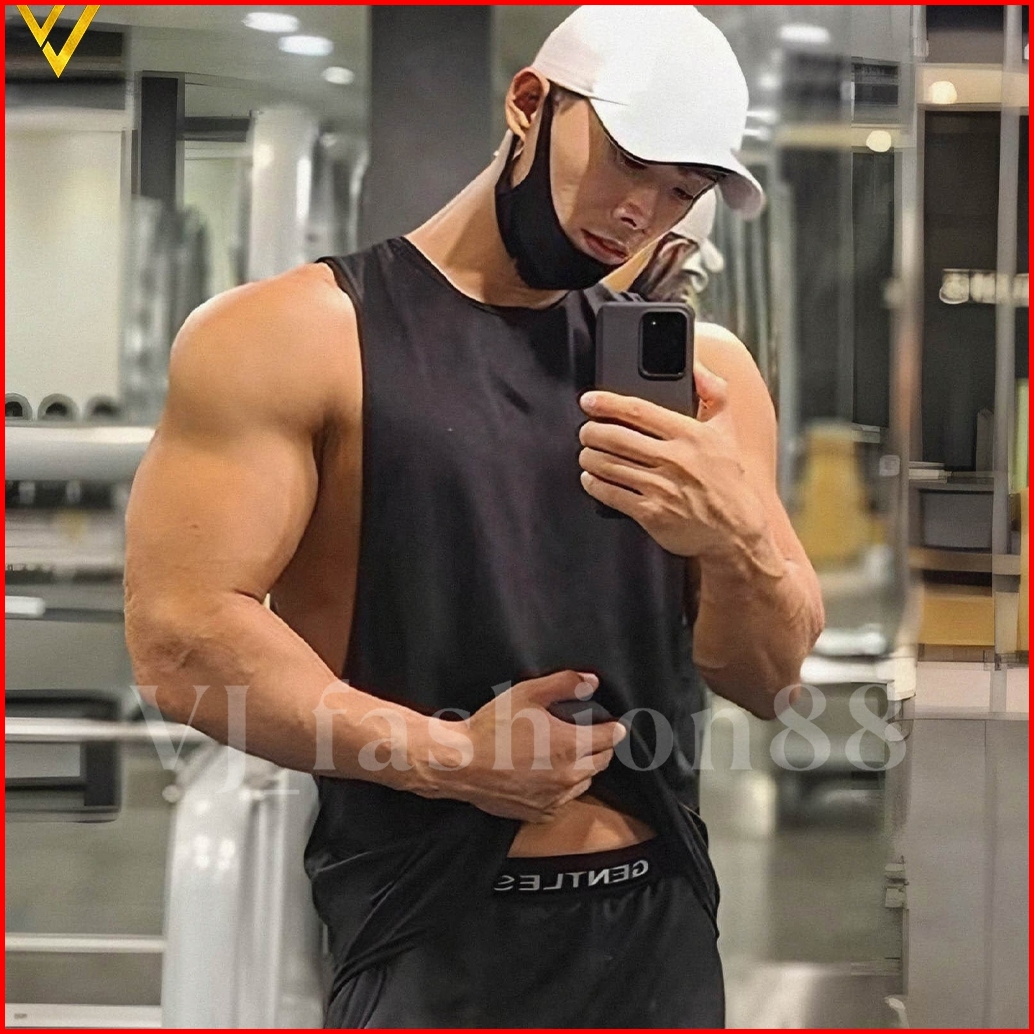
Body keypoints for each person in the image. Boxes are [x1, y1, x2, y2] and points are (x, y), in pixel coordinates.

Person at [124, 5, 824, 1027]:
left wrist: (738, 538)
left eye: (683, 189)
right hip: (422, 927)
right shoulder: (294, 337)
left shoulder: (707, 381)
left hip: (660, 929)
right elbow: (181, 639)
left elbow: (768, 680)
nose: (643, 210)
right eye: (629, 161)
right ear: (529, 103)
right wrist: (442, 757)